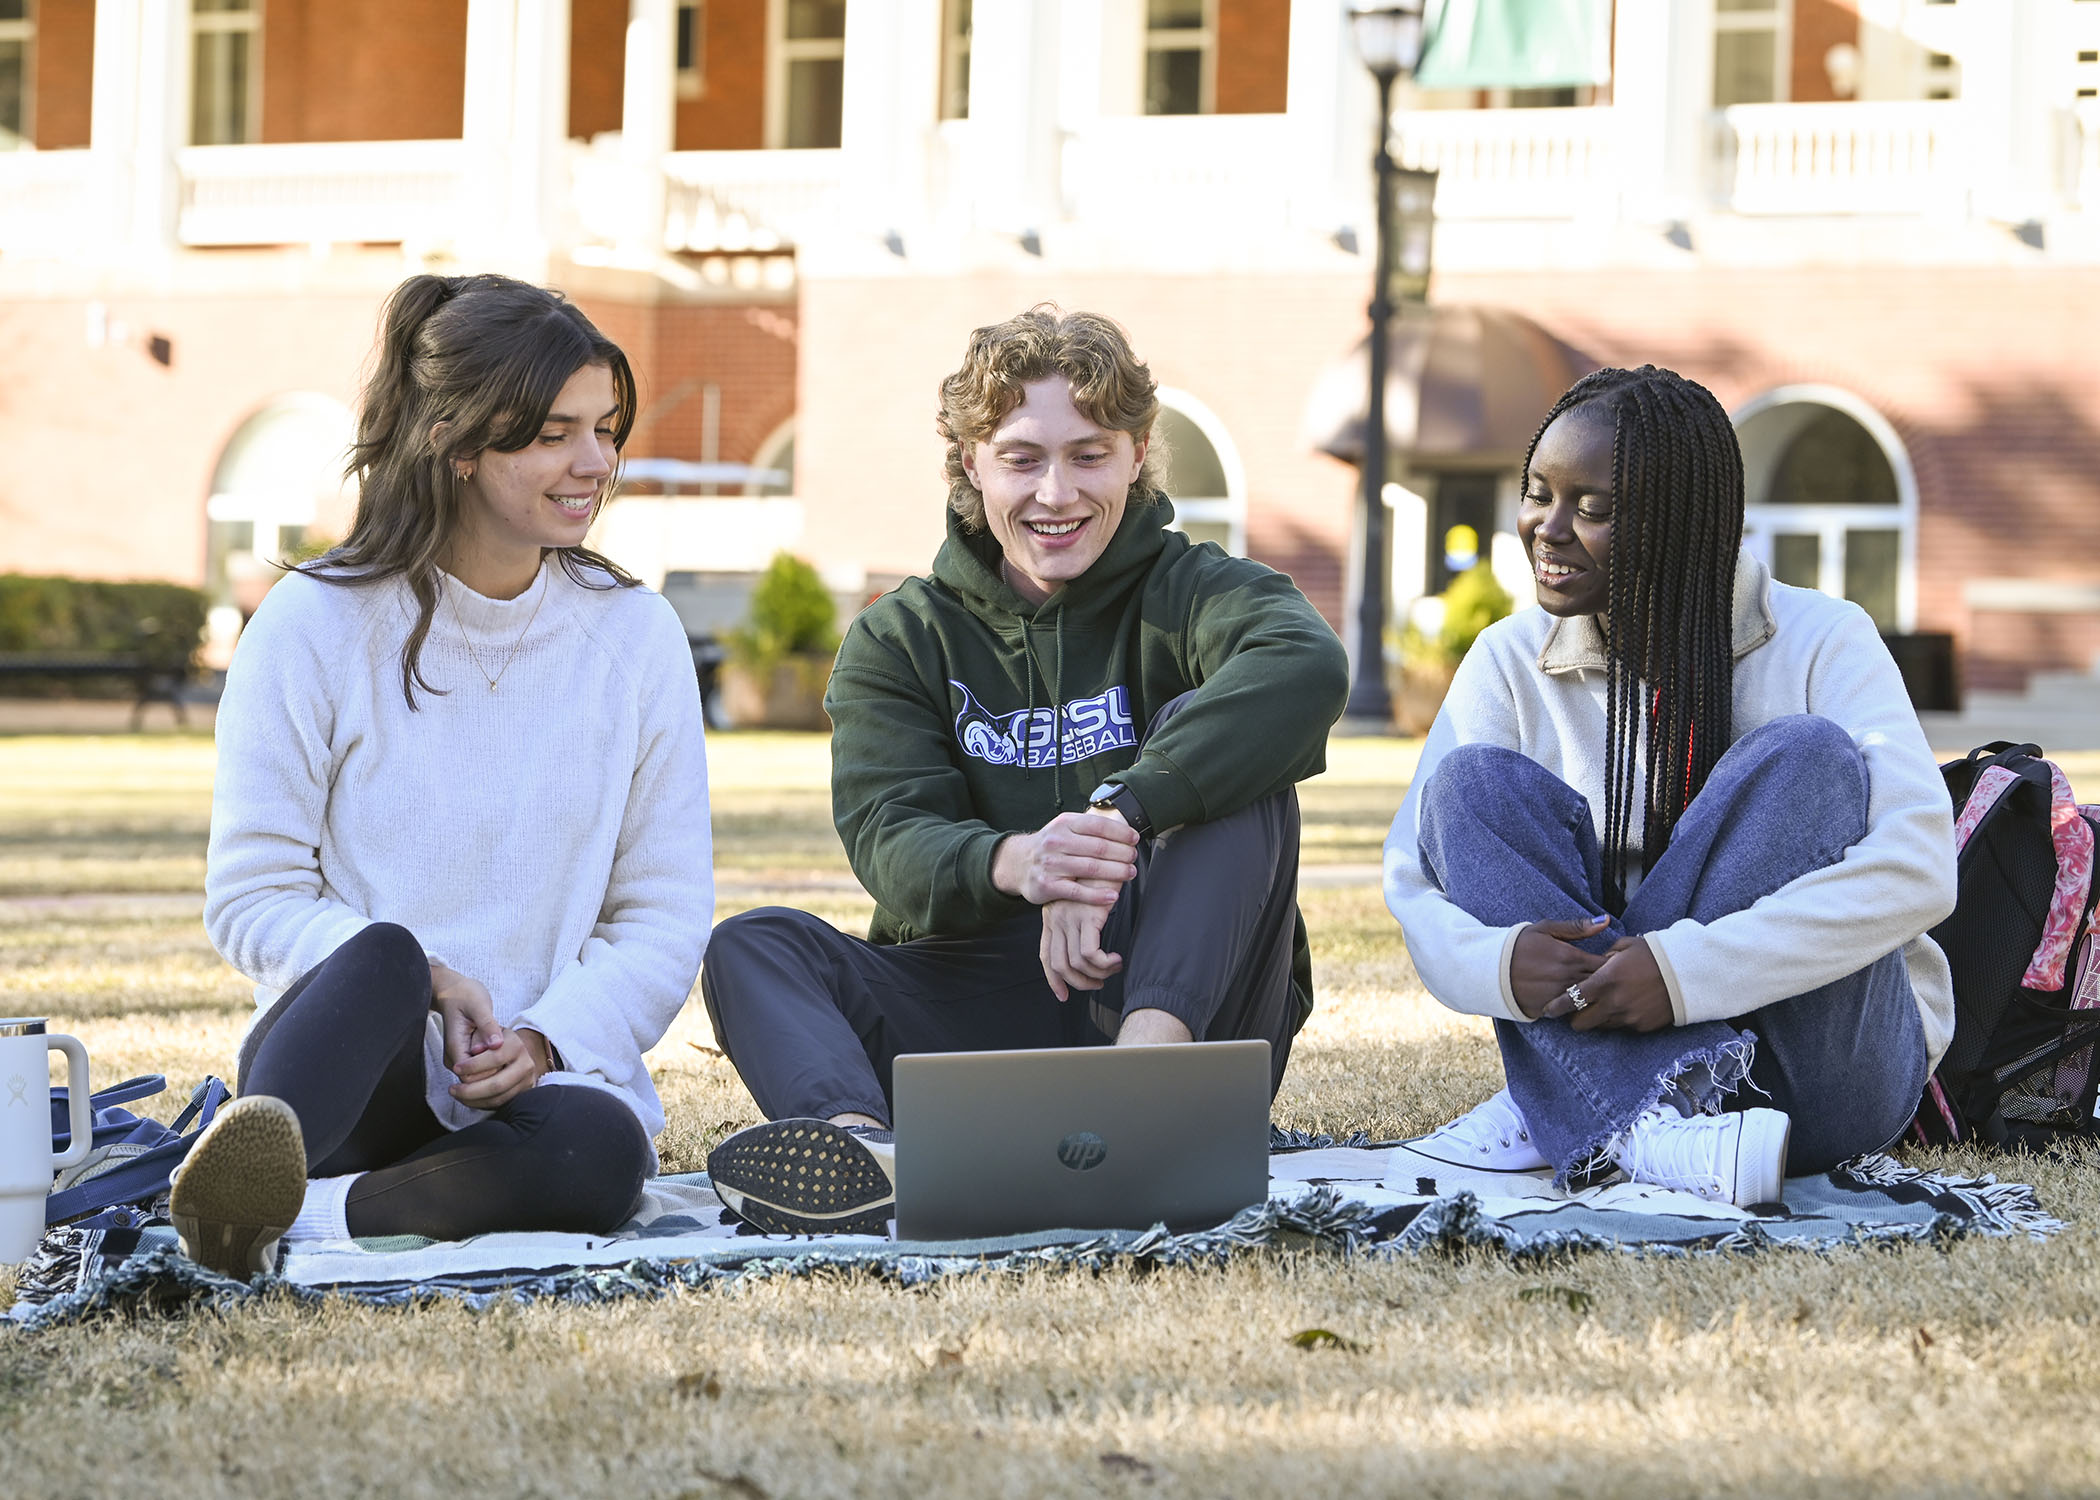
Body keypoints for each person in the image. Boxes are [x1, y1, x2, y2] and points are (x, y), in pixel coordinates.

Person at [698, 305, 1349, 1234]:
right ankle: (864, 1156)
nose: (1057, 493)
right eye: (1021, 458)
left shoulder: (1197, 590)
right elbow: (891, 839)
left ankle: (1140, 1106)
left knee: (1230, 757)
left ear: (1137, 453)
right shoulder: (901, 637)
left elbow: (1307, 667)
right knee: (753, 944)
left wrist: (1123, 817)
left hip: (1172, 993)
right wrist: (1026, 864)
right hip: (965, 997)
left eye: (1089, 455)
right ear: (971, 465)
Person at [171, 273, 713, 1278]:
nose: (594, 462)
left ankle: (301, 1222)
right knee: (382, 954)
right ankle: (268, 1171)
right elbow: (252, 896)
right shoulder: (313, 624)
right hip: (347, 1083)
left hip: (535, 1101)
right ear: (460, 445)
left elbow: (663, 913)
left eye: (607, 428)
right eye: (554, 434)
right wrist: (428, 980)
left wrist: (549, 1040)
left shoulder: (637, 638)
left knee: (600, 1160)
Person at [1383, 364, 1956, 1206]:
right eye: (1538, 492)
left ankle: (1581, 1105)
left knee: (1807, 759)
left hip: (1824, 1076)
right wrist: (1499, 963)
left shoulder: (1826, 640)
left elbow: (1919, 865)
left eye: (1595, 508)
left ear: (1683, 523)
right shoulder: (1511, 658)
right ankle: (1639, 1121)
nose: (1548, 527)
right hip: (1619, 1035)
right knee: (1470, 786)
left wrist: (1679, 971)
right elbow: (1412, 870)